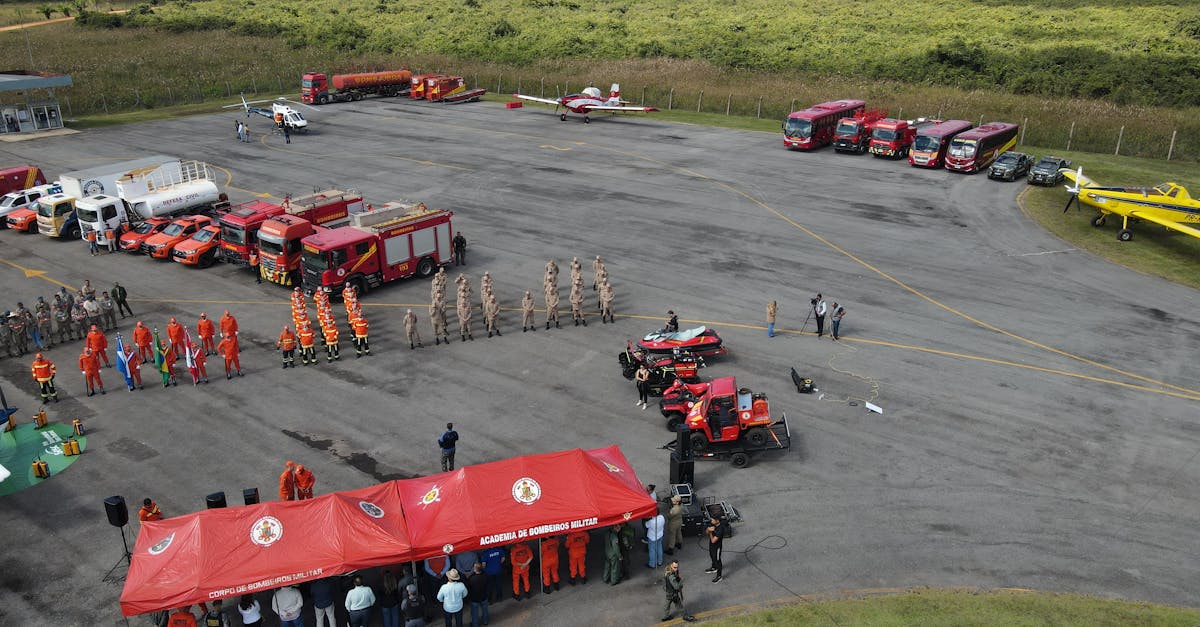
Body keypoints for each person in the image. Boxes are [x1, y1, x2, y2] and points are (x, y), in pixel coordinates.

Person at [705, 513, 728, 583]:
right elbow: (706, 531)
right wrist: (708, 530)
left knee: (717, 560)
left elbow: (713, 540)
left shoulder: (720, 529)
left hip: (717, 547)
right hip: (711, 546)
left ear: (717, 520)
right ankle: (714, 567)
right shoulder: (712, 524)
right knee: (711, 556)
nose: (711, 521)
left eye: (712, 519)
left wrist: (711, 532)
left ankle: (719, 576)